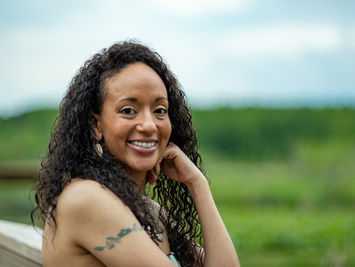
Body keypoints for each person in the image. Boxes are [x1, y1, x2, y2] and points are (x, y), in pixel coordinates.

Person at [32, 40, 240, 267]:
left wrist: (197, 183)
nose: (149, 125)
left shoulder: (149, 210)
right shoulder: (86, 198)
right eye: (128, 111)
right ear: (96, 125)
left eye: (160, 110)